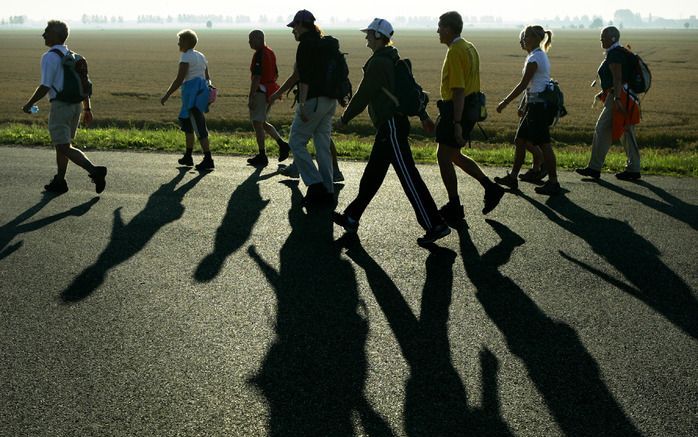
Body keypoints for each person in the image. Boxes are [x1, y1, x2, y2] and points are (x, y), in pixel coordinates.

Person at [334, 18, 450, 246]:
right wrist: (424, 116)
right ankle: (351, 217)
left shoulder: (379, 63)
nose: (366, 37)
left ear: (378, 36)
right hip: (389, 127)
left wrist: (344, 119)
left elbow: (363, 94)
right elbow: (414, 91)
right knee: (372, 175)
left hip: (392, 127)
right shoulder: (392, 58)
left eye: (369, 34)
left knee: (409, 176)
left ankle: (435, 224)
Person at [432, 11, 504, 222]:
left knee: (443, 156)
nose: (437, 31)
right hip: (470, 107)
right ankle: (490, 188)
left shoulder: (455, 51)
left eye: (440, 27)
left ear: (449, 28)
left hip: (457, 109)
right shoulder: (470, 47)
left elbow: (458, 90)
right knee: (453, 155)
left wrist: (456, 123)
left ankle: (455, 205)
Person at [22, 20, 107, 195]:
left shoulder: (50, 57)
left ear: (56, 35)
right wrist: (87, 109)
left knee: (63, 146)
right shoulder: (74, 56)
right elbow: (84, 85)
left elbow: (45, 86)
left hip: (61, 107)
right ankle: (60, 181)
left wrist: (30, 103)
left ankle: (95, 171)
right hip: (75, 106)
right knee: (63, 145)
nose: (43, 34)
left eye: (47, 31)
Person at [269, 10, 336, 206]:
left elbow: (303, 77)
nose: (292, 31)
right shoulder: (324, 43)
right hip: (329, 100)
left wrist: (304, 104)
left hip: (312, 100)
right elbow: (298, 75)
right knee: (322, 146)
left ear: (300, 25)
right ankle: (328, 191)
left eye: (294, 27)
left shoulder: (305, 45)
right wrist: (278, 93)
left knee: (296, 141)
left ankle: (315, 185)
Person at [495, 25, 561, 195]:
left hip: (538, 107)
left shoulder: (535, 58)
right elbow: (530, 86)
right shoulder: (537, 55)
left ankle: (553, 181)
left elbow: (524, 84)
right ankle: (513, 177)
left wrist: (505, 102)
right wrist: (524, 105)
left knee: (544, 144)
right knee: (520, 141)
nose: (523, 40)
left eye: (526, 37)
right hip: (534, 104)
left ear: (536, 39)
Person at [576, 26, 642, 181]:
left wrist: (617, 99)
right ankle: (596, 167)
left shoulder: (614, 55)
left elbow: (618, 78)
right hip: (620, 96)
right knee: (617, 131)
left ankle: (629, 169)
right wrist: (606, 92)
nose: (601, 39)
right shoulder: (618, 52)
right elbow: (617, 79)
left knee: (622, 131)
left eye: (603, 37)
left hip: (620, 98)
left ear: (613, 38)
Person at [161, 29, 214, 171]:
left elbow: (179, 79)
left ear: (187, 42)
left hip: (191, 97)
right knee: (190, 126)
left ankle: (208, 158)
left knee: (197, 127)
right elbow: (207, 77)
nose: (178, 43)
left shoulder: (185, 56)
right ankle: (188, 156)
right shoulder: (201, 56)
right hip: (200, 95)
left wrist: (167, 94)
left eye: (180, 40)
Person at [246, 29, 291, 167]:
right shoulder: (270, 52)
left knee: (257, 123)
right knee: (262, 122)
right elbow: (276, 74)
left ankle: (262, 155)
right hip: (271, 90)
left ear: (259, 39)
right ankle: (282, 145)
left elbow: (257, 77)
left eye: (251, 39)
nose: (249, 42)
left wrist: (252, 96)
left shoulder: (260, 54)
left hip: (262, 91)